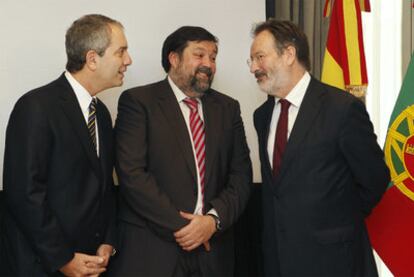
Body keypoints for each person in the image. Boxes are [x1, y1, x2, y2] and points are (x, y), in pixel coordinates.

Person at [249, 19, 390, 276]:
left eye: (260, 57)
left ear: (289, 54)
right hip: (278, 261)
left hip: (334, 260)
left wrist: (337, 218)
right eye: (252, 60)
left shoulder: (342, 109)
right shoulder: (262, 115)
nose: (254, 68)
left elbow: (375, 178)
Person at [110, 26, 252, 276]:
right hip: (153, 252)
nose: (208, 63)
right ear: (173, 59)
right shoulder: (138, 102)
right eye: (199, 55)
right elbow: (133, 175)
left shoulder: (228, 108)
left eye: (213, 56)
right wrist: (186, 228)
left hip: (212, 253)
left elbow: (240, 176)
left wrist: (212, 222)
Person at [1, 14, 132, 276]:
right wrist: (63, 259)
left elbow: (104, 187)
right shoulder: (36, 106)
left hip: (91, 264)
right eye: (121, 52)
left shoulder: (102, 114)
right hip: (43, 265)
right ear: (92, 58)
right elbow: (24, 193)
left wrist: (108, 240)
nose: (128, 61)